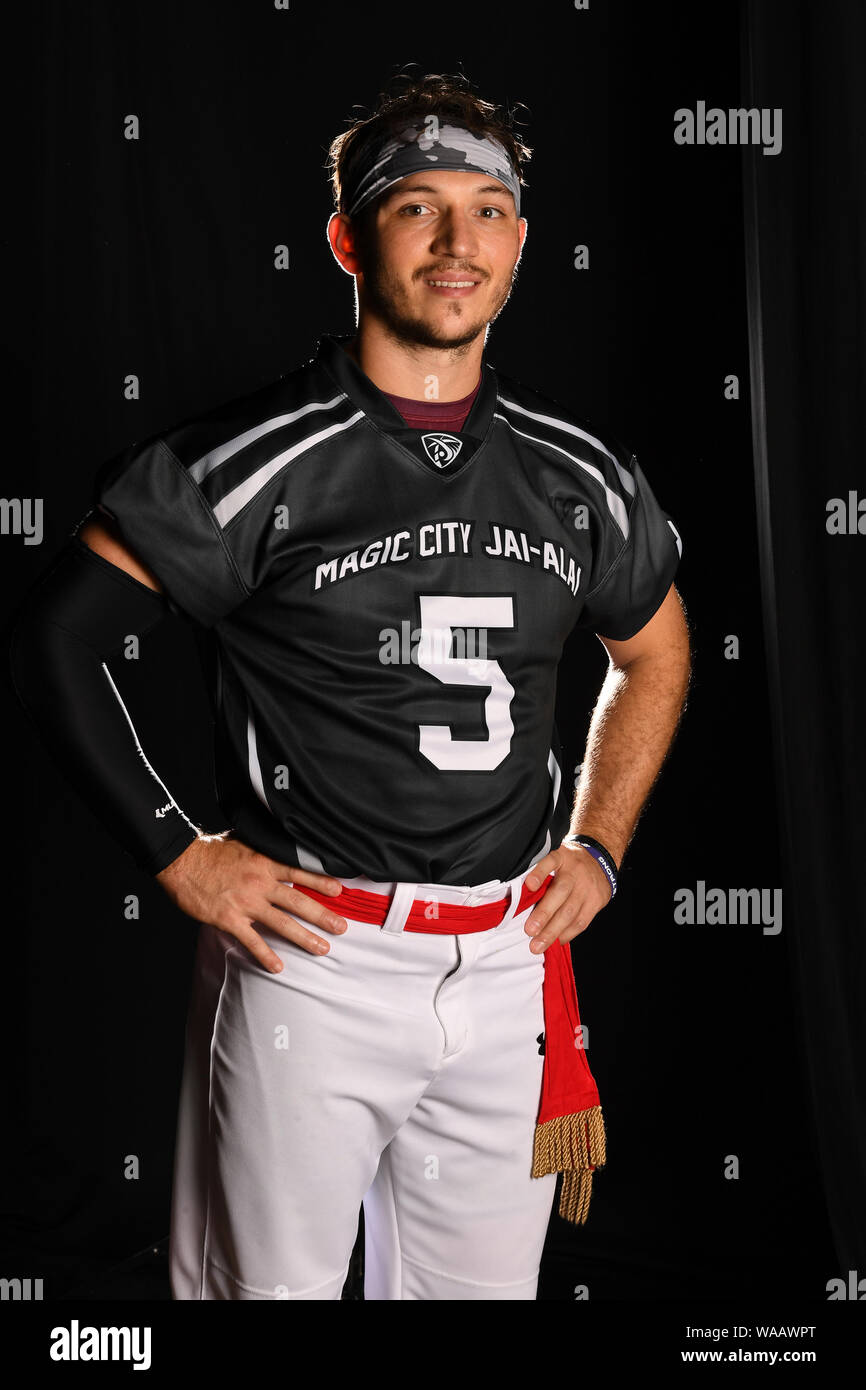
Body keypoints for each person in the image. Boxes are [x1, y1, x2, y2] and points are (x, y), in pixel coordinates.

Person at [9, 71, 692, 1300]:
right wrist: (179, 852)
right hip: (313, 961)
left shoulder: (577, 474)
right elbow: (50, 641)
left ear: (521, 241)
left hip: (502, 962)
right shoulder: (252, 460)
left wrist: (596, 845)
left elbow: (655, 651)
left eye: (487, 210)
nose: (455, 242)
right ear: (345, 236)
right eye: (415, 207)